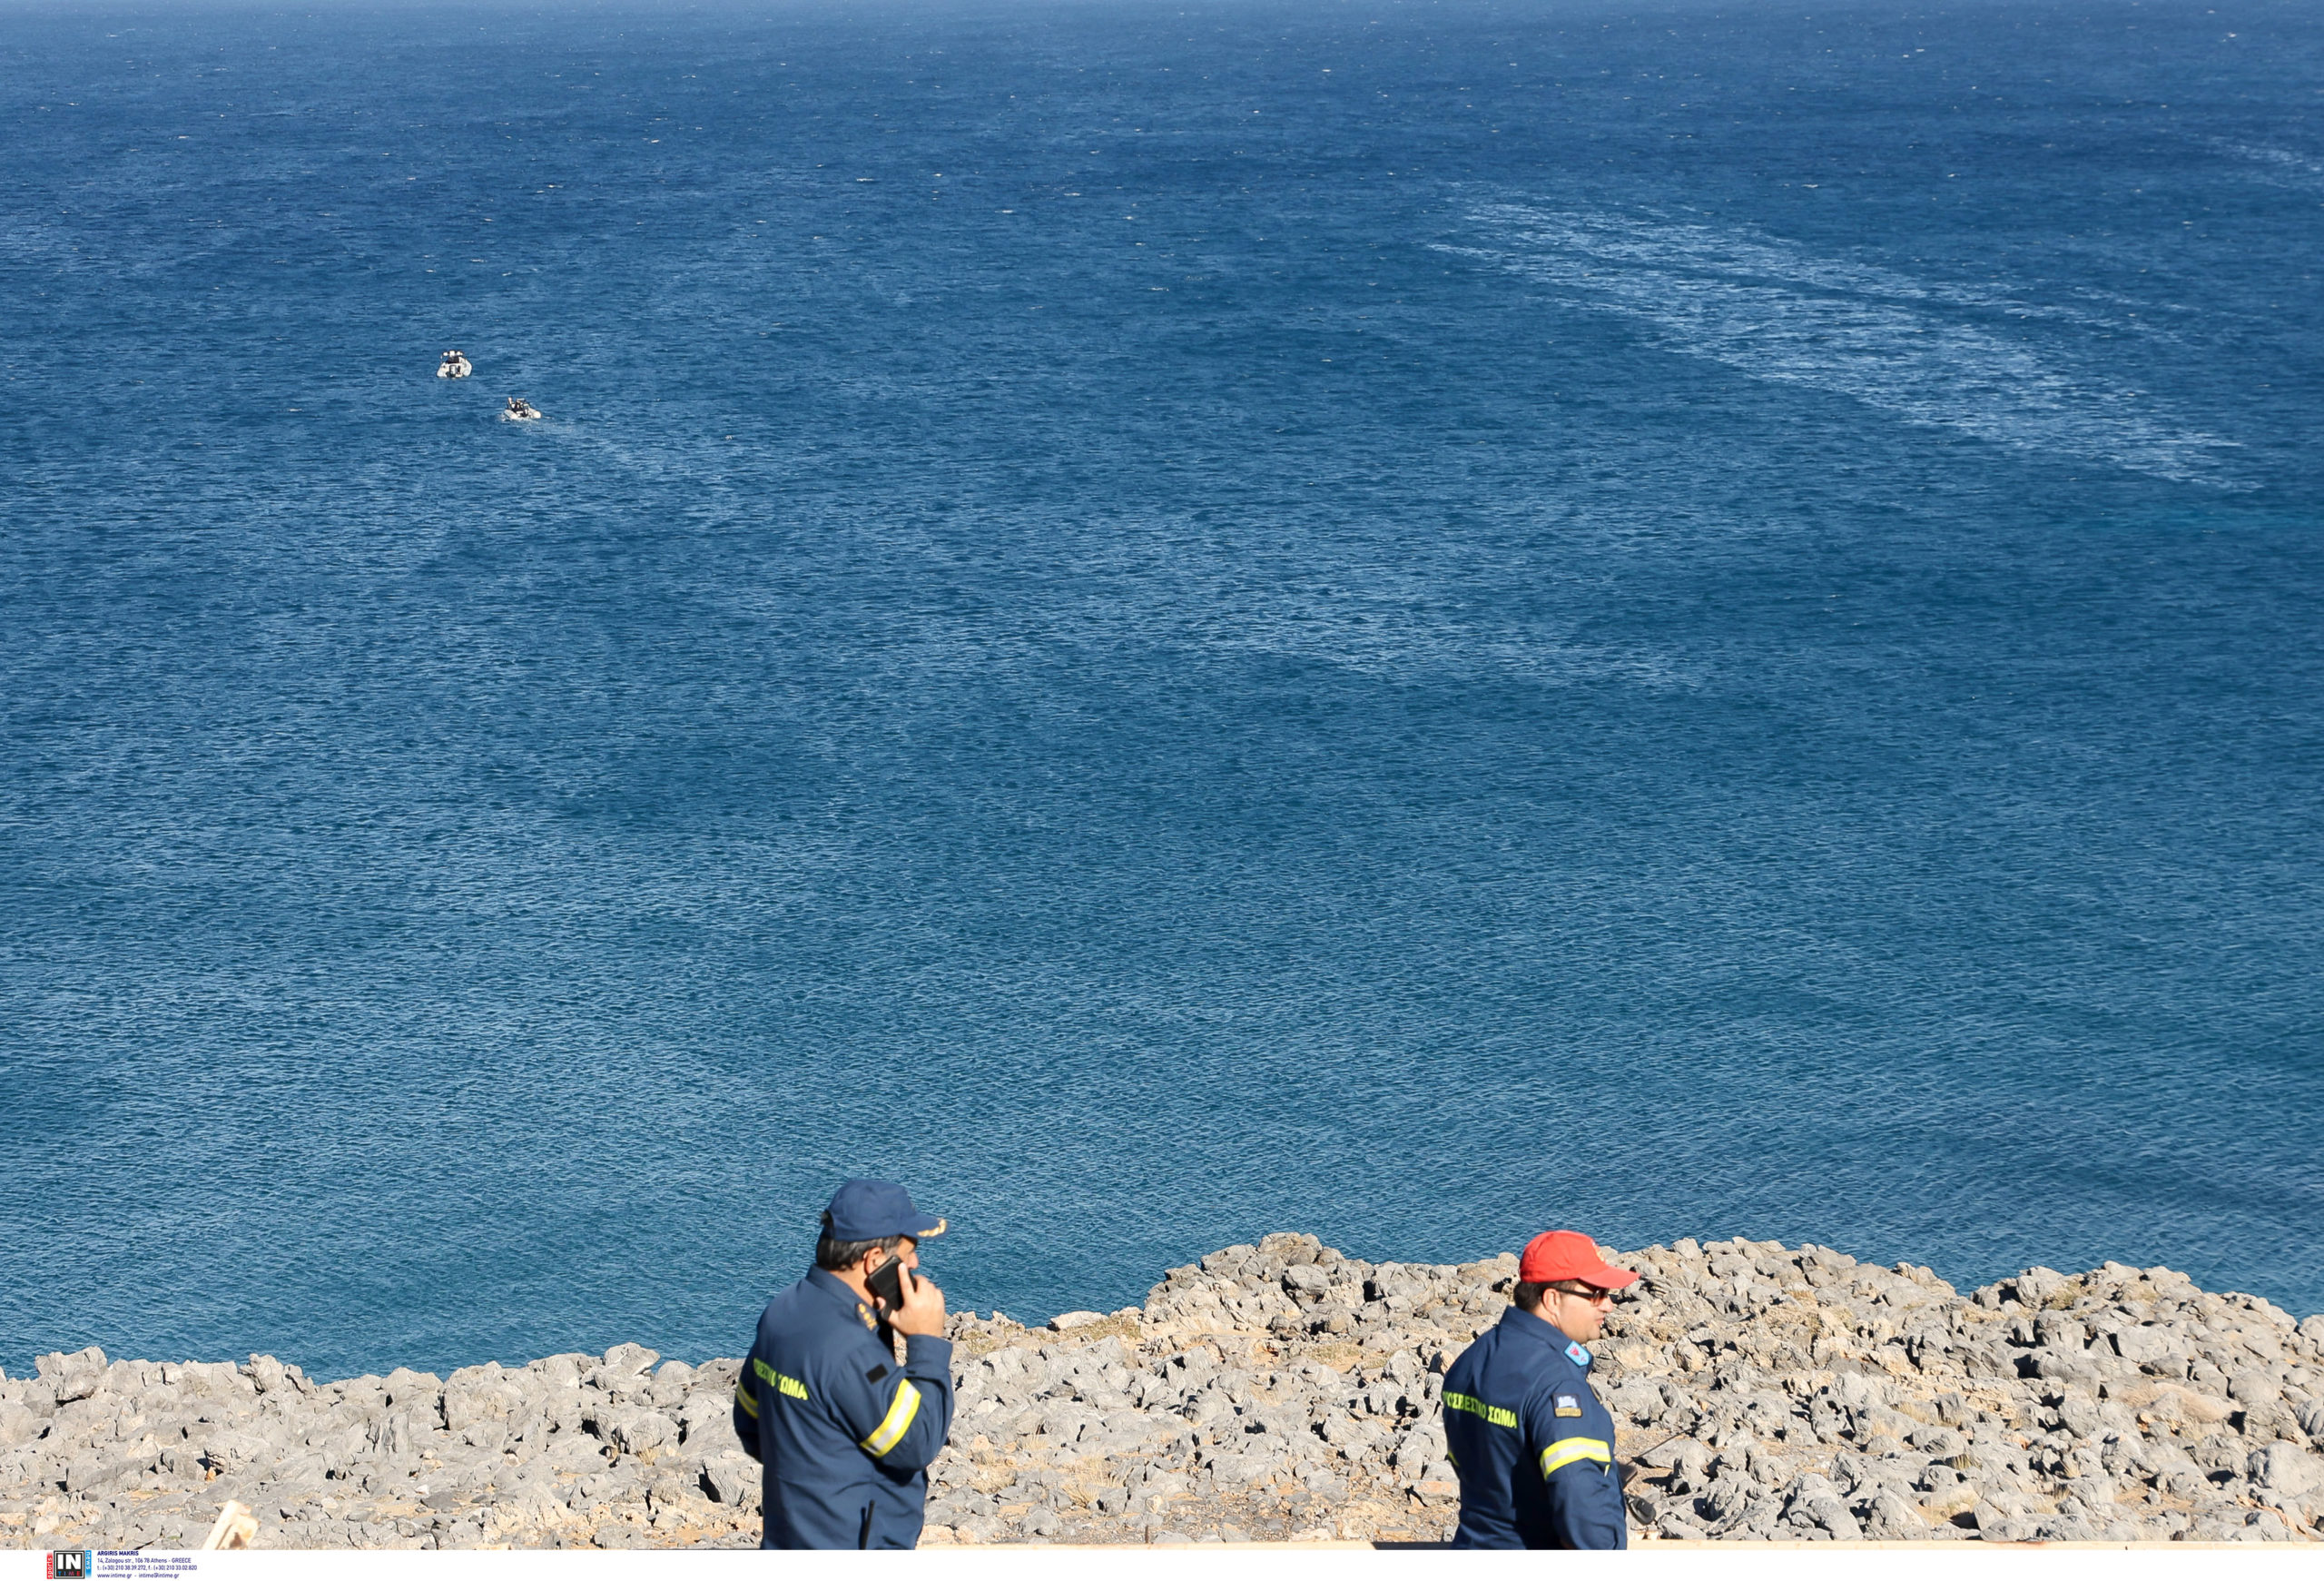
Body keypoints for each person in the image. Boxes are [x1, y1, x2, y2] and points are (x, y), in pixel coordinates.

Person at [731, 1180, 957, 1548]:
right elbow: (917, 1442)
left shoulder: (783, 1310)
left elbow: (750, 1421)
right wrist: (926, 1341)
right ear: (875, 1260)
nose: (915, 1263)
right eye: (910, 1251)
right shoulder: (850, 1347)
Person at [1440, 1230, 1638, 1549]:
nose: (1608, 1305)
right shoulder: (1558, 1384)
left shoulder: (1470, 1361)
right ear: (1552, 1299)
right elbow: (1583, 1510)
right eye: (1597, 1293)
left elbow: (1470, 1464)